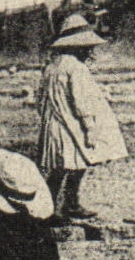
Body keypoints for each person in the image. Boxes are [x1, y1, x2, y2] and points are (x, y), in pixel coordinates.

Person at [37, 13, 128, 221]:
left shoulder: (51, 68)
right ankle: (66, 205)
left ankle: (54, 207)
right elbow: (81, 100)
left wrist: (47, 118)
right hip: (71, 125)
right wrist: (89, 126)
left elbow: (40, 100)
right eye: (87, 47)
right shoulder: (76, 69)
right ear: (78, 47)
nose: (90, 51)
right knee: (75, 166)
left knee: (60, 168)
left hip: (53, 124)